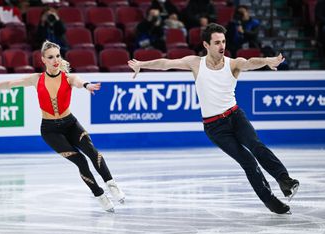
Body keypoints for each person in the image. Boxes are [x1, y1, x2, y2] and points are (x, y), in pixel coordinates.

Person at [128, 23, 299, 214]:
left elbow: (250, 62)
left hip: (235, 117)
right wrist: (142, 65)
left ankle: (284, 180)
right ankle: (271, 201)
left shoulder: (233, 63)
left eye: (224, 41)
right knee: (248, 162)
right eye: (217, 42)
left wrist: (267, 60)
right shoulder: (195, 63)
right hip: (215, 127)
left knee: (256, 145)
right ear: (206, 45)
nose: (222, 46)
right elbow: (167, 64)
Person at [0, 41, 125, 213]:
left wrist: (87, 86)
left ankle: (111, 184)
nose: (55, 60)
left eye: (58, 56)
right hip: (50, 131)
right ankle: (99, 195)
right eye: (51, 57)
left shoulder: (68, 78)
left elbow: (79, 81)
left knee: (92, 151)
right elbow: (10, 84)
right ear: (43, 60)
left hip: (70, 124)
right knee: (81, 161)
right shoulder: (36, 79)